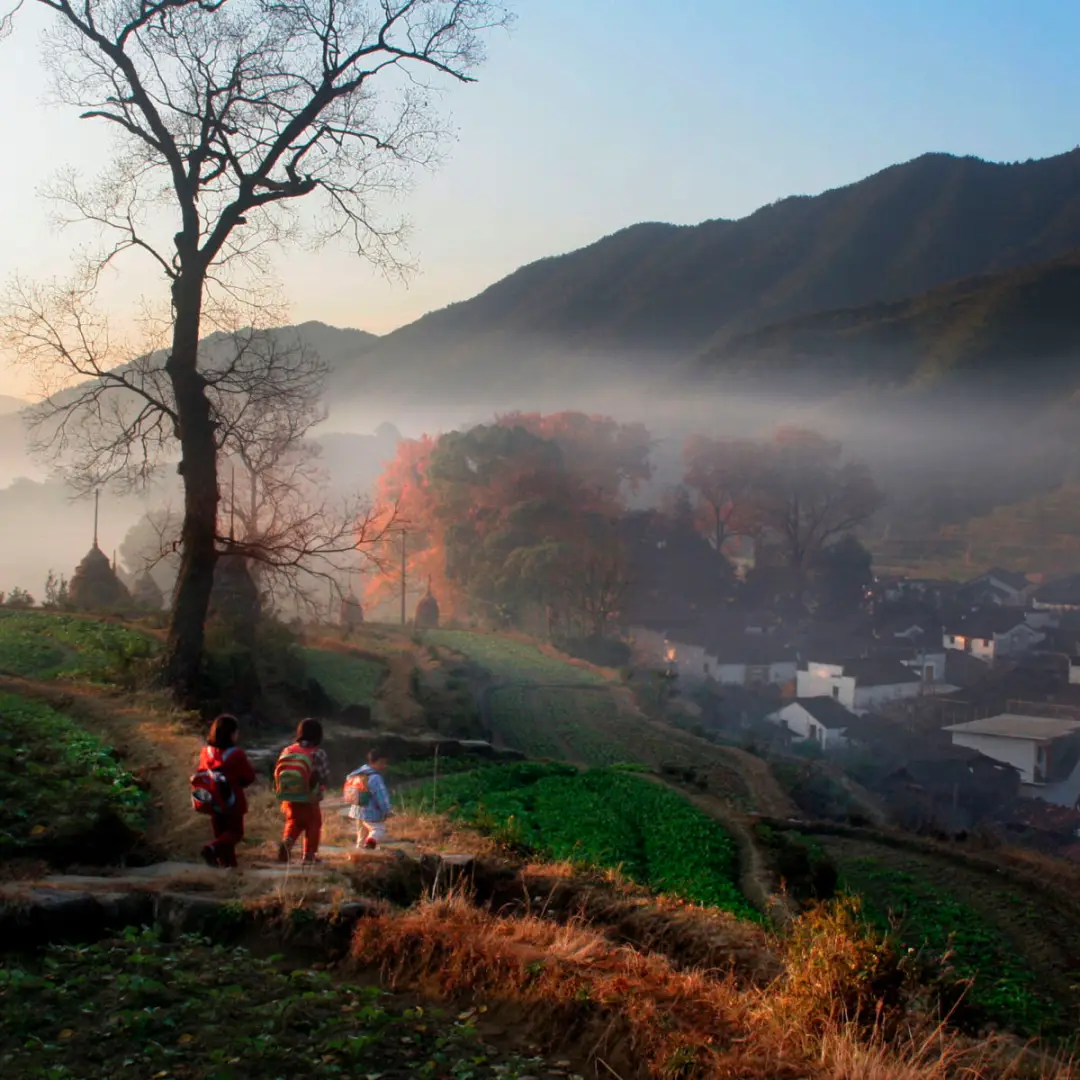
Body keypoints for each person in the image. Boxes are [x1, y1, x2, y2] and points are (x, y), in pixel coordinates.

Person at [195, 714, 257, 869]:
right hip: (232, 801)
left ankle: (228, 867)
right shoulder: (236, 754)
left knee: (222, 834)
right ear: (231, 734)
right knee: (235, 832)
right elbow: (248, 776)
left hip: (212, 800)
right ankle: (211, 849)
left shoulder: (206, 752)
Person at [274, 717, 330, 864]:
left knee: (294, 822)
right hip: (309, 796)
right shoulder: (318, 753)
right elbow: (324, 775)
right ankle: (309, 856)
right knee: (313, 823)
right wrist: (322, 788)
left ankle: (287, 842)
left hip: (289, 796)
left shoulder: (288, 750)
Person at [345, 748, 393, 850]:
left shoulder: (358, 773)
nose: (384, 766)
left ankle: (359, 853)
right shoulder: (375, 777)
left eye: (385, 763)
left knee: (362, 834)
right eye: (382, 763)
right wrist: (387, 810)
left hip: (357, 811)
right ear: (373, 762)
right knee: (378, 829)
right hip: (370, 812)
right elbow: (381, 796)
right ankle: (370, 845)